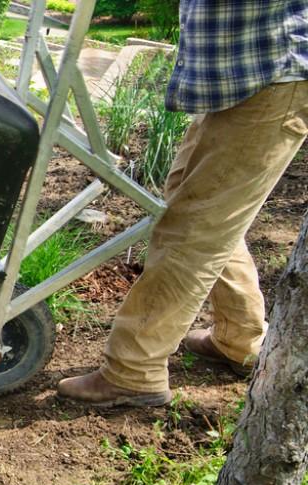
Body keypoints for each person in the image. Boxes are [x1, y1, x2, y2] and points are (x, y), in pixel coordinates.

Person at [58, 1, 308, 407]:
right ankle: (239, 337)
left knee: (194, 228)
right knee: (194, 204)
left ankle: (132, 371)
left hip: (272, 72)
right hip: (244, 74)